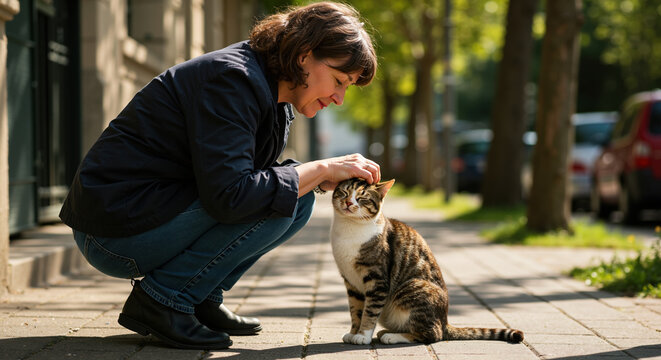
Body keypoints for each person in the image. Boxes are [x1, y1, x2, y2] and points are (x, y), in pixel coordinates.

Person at [59, 1, 379, 350]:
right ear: (305, 55)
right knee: (283, 195)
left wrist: (314, 178)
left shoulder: (271, 93)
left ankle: (200, 296)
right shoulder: (232, 80)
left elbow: (242, 180)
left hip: (146, 214)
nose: (339, 98)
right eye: (338, 81)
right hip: (112, 232)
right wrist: (319, 169)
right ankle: (162, 300)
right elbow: (232, 196)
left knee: (295, 197)